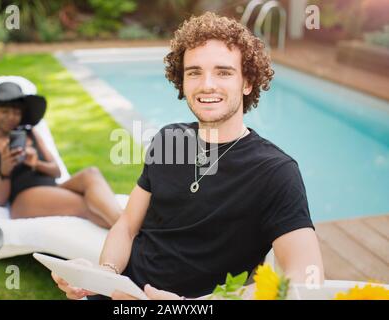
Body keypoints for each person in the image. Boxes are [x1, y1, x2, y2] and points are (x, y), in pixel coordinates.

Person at [52, 12, 324, 299]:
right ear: (182, 81)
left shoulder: (276, 172)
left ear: (247, 83)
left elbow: (308, 277)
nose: (207, 84)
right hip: (122, 292)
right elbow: (127, 225)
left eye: (223, 72)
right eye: (194, 72)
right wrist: (105, 274)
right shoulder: (169, 139)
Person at [0, 82, 121, 228]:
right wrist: (5, 172)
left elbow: (57, 171)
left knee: (91, 173)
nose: (11, 117)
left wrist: (36, 163)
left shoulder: (31, 134)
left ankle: (131, 229)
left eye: (16, 112)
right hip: (24, 200)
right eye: (5, 111)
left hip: (53, 189)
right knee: (87, 205)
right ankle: (133, 231)